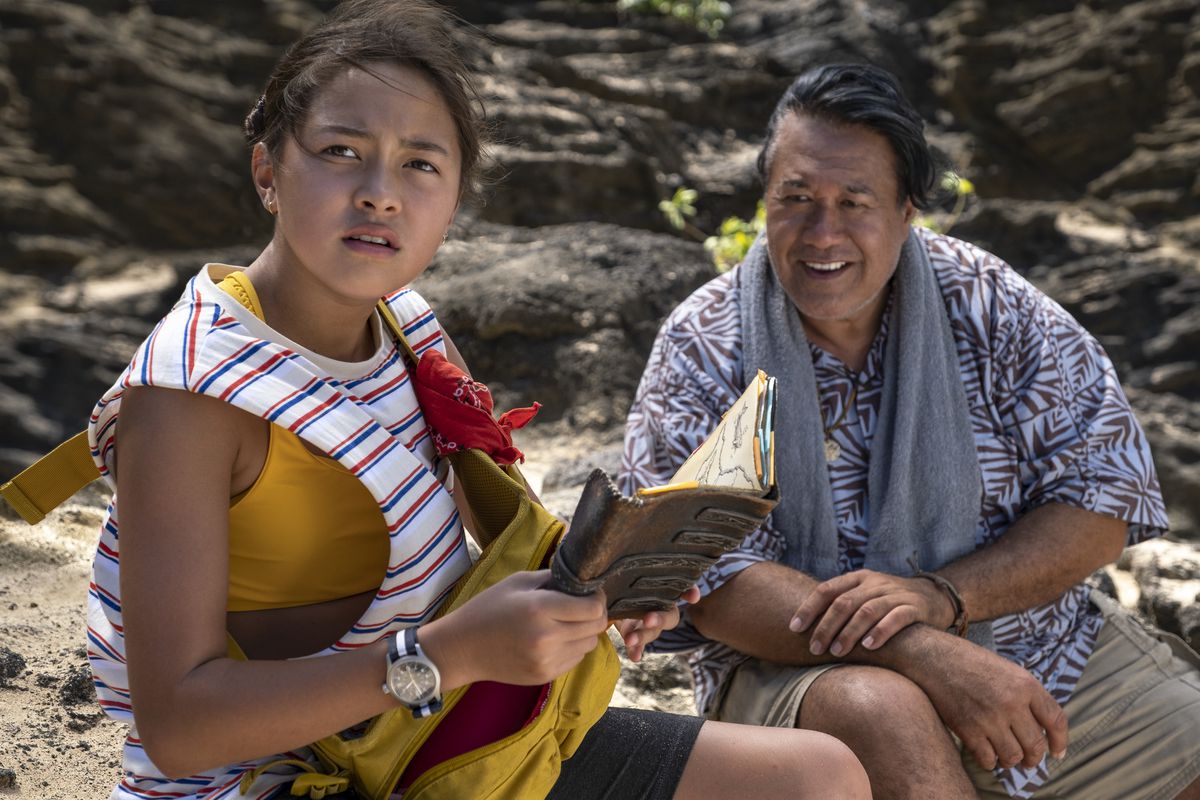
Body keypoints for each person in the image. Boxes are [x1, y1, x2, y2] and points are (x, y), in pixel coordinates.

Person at [81, 2, 874, 798]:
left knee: (820, 777)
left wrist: (612, 587)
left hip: (449, 742)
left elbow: (509, 541)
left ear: (455, 197)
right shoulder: (192, 397)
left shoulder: (408, 330)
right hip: (279, 779)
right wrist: (445, 655)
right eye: (340, 152)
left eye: (420, 164)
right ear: (267, 173)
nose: (380, 194)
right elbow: (177, 728)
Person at [622, 62, 1200, 800]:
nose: (822, 232)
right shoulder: (706, 343)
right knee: (881, 711)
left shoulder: (992, 306)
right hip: (799, 670)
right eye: (795, 199)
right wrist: (920, 648)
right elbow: (708, 574)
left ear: (907, 210)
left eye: (854, 202)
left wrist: (943, 596)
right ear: (765, 201)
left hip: (1037, 644)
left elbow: (1101, 499)